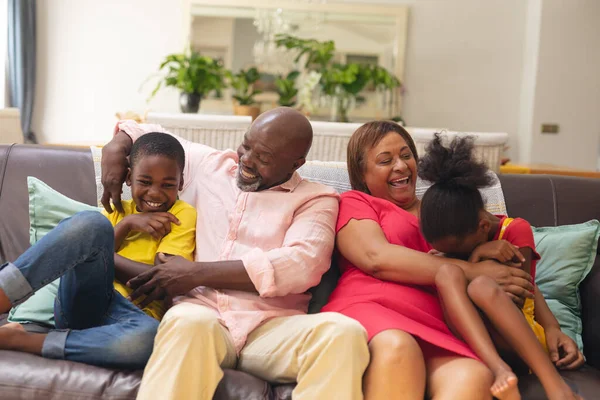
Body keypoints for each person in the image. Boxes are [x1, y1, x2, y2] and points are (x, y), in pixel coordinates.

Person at [100, 107, 369, 400]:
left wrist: (196, 274)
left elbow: (301, 264)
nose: (247, 159)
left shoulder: (316, 199)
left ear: (296, 163)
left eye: (263, 158)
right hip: (203, 317)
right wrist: (116, 148)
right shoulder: (211, 166)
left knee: (344, 333)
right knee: (186, 322)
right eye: (246, 144)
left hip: (272, 328)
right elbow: (146, 133)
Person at [322, 121, 583, 400]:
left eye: (406, 155)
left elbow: (512, 272)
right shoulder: (358, 202)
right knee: (399, 348)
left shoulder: (445, 207)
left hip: (442, 327)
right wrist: (472, 269)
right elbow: (376, 258)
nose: (400, 166)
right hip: (374, 311)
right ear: (361, 173)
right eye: (385, 160)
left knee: (474, 377)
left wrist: (552, 327)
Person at [0, 132, 195, 369]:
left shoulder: (182, 215)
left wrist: (104, 256)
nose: (155, 193)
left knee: (150, 339)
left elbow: (160, 280)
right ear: (129, 178)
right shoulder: (118, 211)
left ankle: (26, 341)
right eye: (145, 181)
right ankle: (4, 292)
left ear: (181, 183)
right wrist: (126, 224)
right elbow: (91, 249)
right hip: (80, 302)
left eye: (168, 184)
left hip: (128, 318)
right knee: (92, 223)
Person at [418, 134, 582, 400]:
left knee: (481, 284)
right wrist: (475, 256)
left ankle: (556, 388)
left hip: (520, 338)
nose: (452, 254)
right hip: (478, 342)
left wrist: (552, 327)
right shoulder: (457, 239)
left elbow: (519, 292)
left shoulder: (515, 230)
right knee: (446, 272)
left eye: (457, 250)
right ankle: (499, 369)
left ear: (483, 227)